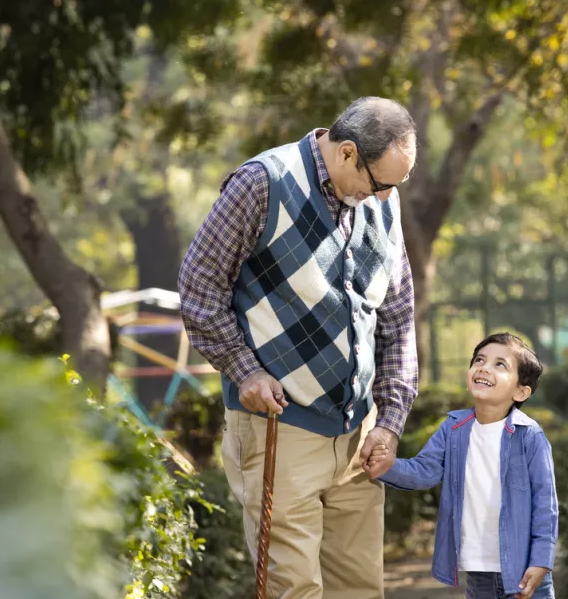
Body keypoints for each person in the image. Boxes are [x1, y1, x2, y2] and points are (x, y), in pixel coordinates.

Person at [178, 97, 420, 598]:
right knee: (296, 592)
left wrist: (391, 422)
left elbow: (397, 319)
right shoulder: (262, 184)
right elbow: (199, 288)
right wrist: (244, 371)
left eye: (395, 187)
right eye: (380, 184)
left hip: (359, 434)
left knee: (359, 591)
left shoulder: (383, 202)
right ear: (348, 153)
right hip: (278, 428)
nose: (384, 198)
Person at [366, 333, 559, 599]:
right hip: (479, 574)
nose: (484, 367)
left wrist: (542, 560)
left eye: (499, 364)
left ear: (521, 391)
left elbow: (545, 505)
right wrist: (387, 466)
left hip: (525, 570)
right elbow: (425, 470)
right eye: (479, 360)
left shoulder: (530, 436)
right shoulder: (453, 429)